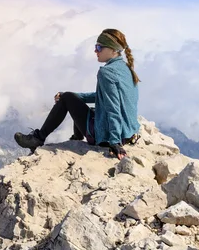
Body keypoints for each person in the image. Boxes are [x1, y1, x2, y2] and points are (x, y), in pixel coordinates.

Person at [14, 29, 140, 159]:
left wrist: (114, 142)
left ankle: (38, 139)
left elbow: (112, 108)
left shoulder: (107, 72)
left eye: (99, 47)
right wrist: (77, 97)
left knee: (68, 97)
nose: (95, 51)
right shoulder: (126, 68)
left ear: (113, 50)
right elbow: (104, 96)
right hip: (127, 134)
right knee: (70, 97)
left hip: (107, 137)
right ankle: (76, 137)